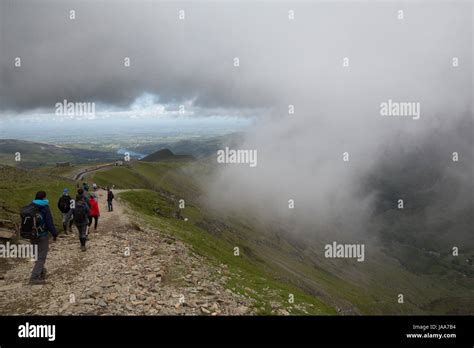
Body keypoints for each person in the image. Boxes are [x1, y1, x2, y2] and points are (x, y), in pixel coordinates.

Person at [29, 191, 58, 285]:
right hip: (42, 235)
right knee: (41, 257)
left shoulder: (30, 206)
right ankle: (33, 278)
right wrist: (54, 234)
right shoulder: (45, 207)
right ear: (44, 197)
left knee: (37, 255)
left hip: (32, 235)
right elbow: (49, 223)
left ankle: (41, 271)